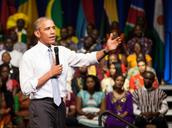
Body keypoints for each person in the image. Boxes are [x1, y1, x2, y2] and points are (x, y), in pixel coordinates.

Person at [19, 17, 121, 128]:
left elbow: (86, 59)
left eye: (53, 28)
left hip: (60, 106)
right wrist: (50, 74)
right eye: (47, 29)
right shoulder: (29, 56)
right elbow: (26, 88)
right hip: (41, 105)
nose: (53, 31)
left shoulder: (62, 51)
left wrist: (106, 50)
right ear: (37, 33)